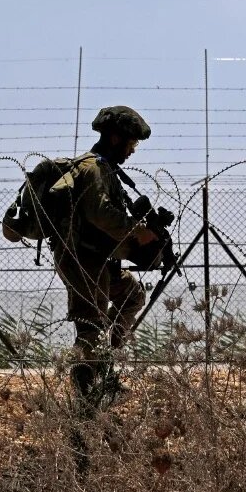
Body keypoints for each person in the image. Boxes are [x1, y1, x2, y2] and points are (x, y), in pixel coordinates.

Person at [50, 105, 158, 400]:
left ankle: (102, 364)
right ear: (114, 138)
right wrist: (137, 231)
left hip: (99, 259)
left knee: (132, 295)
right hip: (82, 260)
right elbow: (100, 214)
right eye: (131, 143)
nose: (133, 150)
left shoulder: (106, 169)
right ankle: (85, 386)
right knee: (90, 324)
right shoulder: (92, 168)